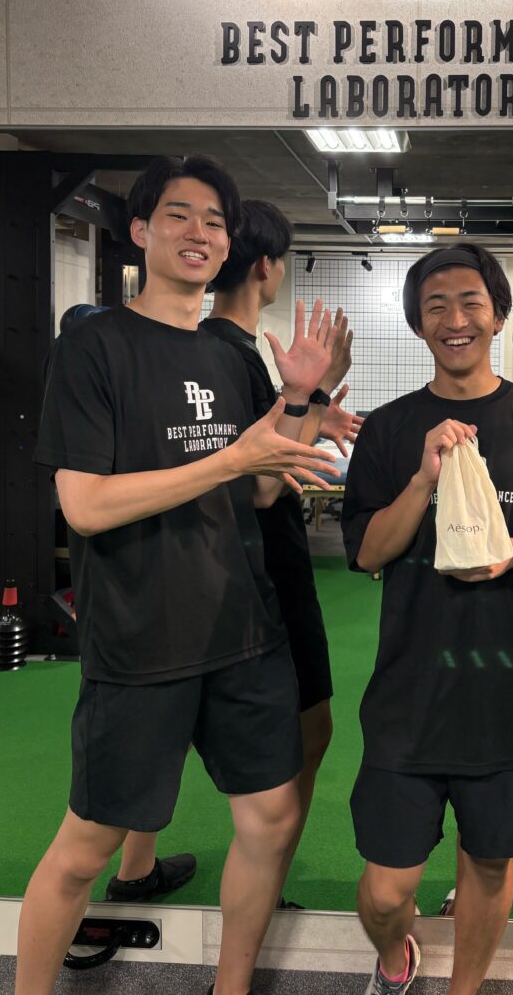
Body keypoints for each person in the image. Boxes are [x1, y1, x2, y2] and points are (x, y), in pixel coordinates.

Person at [22, 156, 340, 995]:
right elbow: (85, 506)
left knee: (270, 818)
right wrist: (229, 458)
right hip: (140, 639)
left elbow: (261, 489)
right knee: (87, 847)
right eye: (179, 215)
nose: (199, 232)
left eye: (214, 221)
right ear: (139, 231)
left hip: (242, 632)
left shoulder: (227, 358)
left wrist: (298, 401)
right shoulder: (93, 346)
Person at [342, 245, 513, 995]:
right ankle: (396, 957)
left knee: (489, 863)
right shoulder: (389, 429)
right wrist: (423, 480)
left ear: (497, 315)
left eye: (470, 303)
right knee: (386, 891)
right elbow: (367, 552)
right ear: (417, 323)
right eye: (436, 306)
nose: (454, 320)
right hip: (410, 693)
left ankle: (466, 989)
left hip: (509, 691)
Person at [106, 199, 362, 910]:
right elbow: (266, 479)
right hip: (261, 566)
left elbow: (253, 446)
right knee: (309, 730)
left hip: (206, 570)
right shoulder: (232, 354)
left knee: (174, 727)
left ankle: (136, 869)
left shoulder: (205, 349)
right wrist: (313, 396)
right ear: (267, 268)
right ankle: (262, 890)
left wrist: (313, 411)